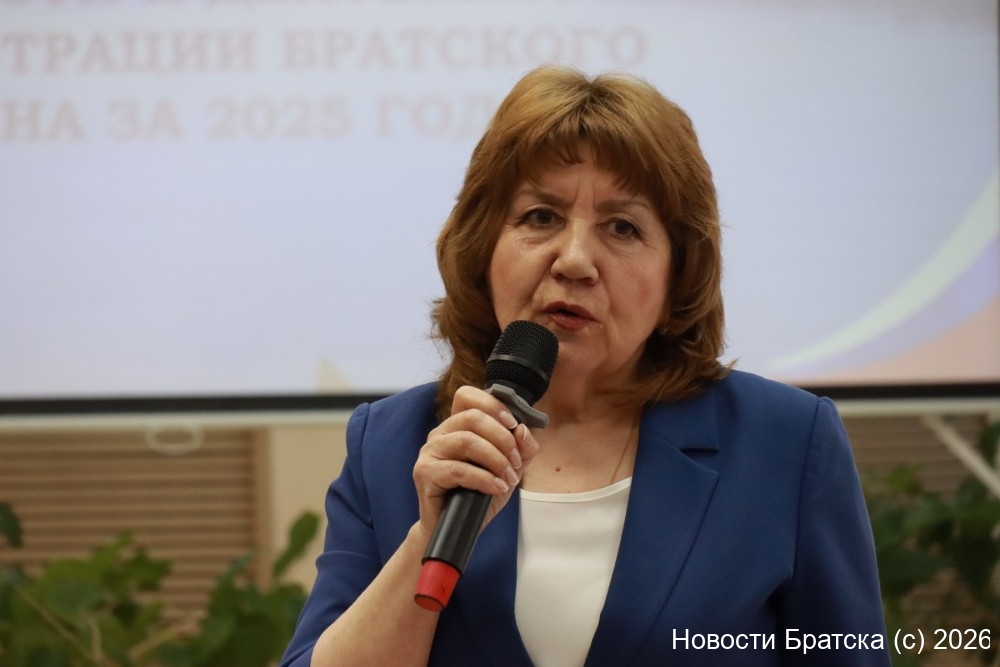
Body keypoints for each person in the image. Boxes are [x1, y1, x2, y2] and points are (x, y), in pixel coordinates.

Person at [280, 65, 890, 666]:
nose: (574, 260)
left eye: (622, 227)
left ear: (678, 276)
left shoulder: (785, 444)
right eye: (540, 217)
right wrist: (425, 539)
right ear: (484, 247)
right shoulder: (391, 445)